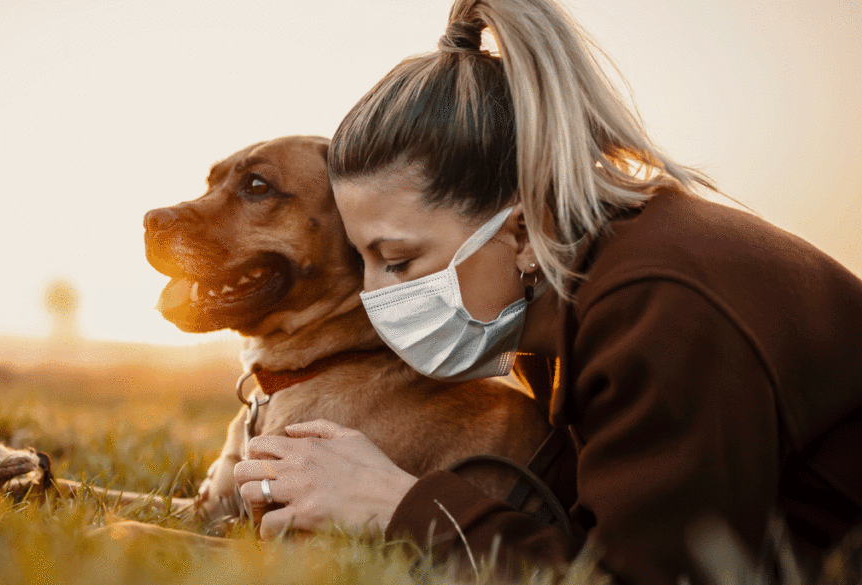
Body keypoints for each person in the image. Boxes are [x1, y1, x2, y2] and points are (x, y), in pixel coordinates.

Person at [232, 0, 862, 582]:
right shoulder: (554, 301)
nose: (375, 295)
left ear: (525, 229)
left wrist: (398, 506)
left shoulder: (660, 307)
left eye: (397, 260)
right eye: (361, 259)